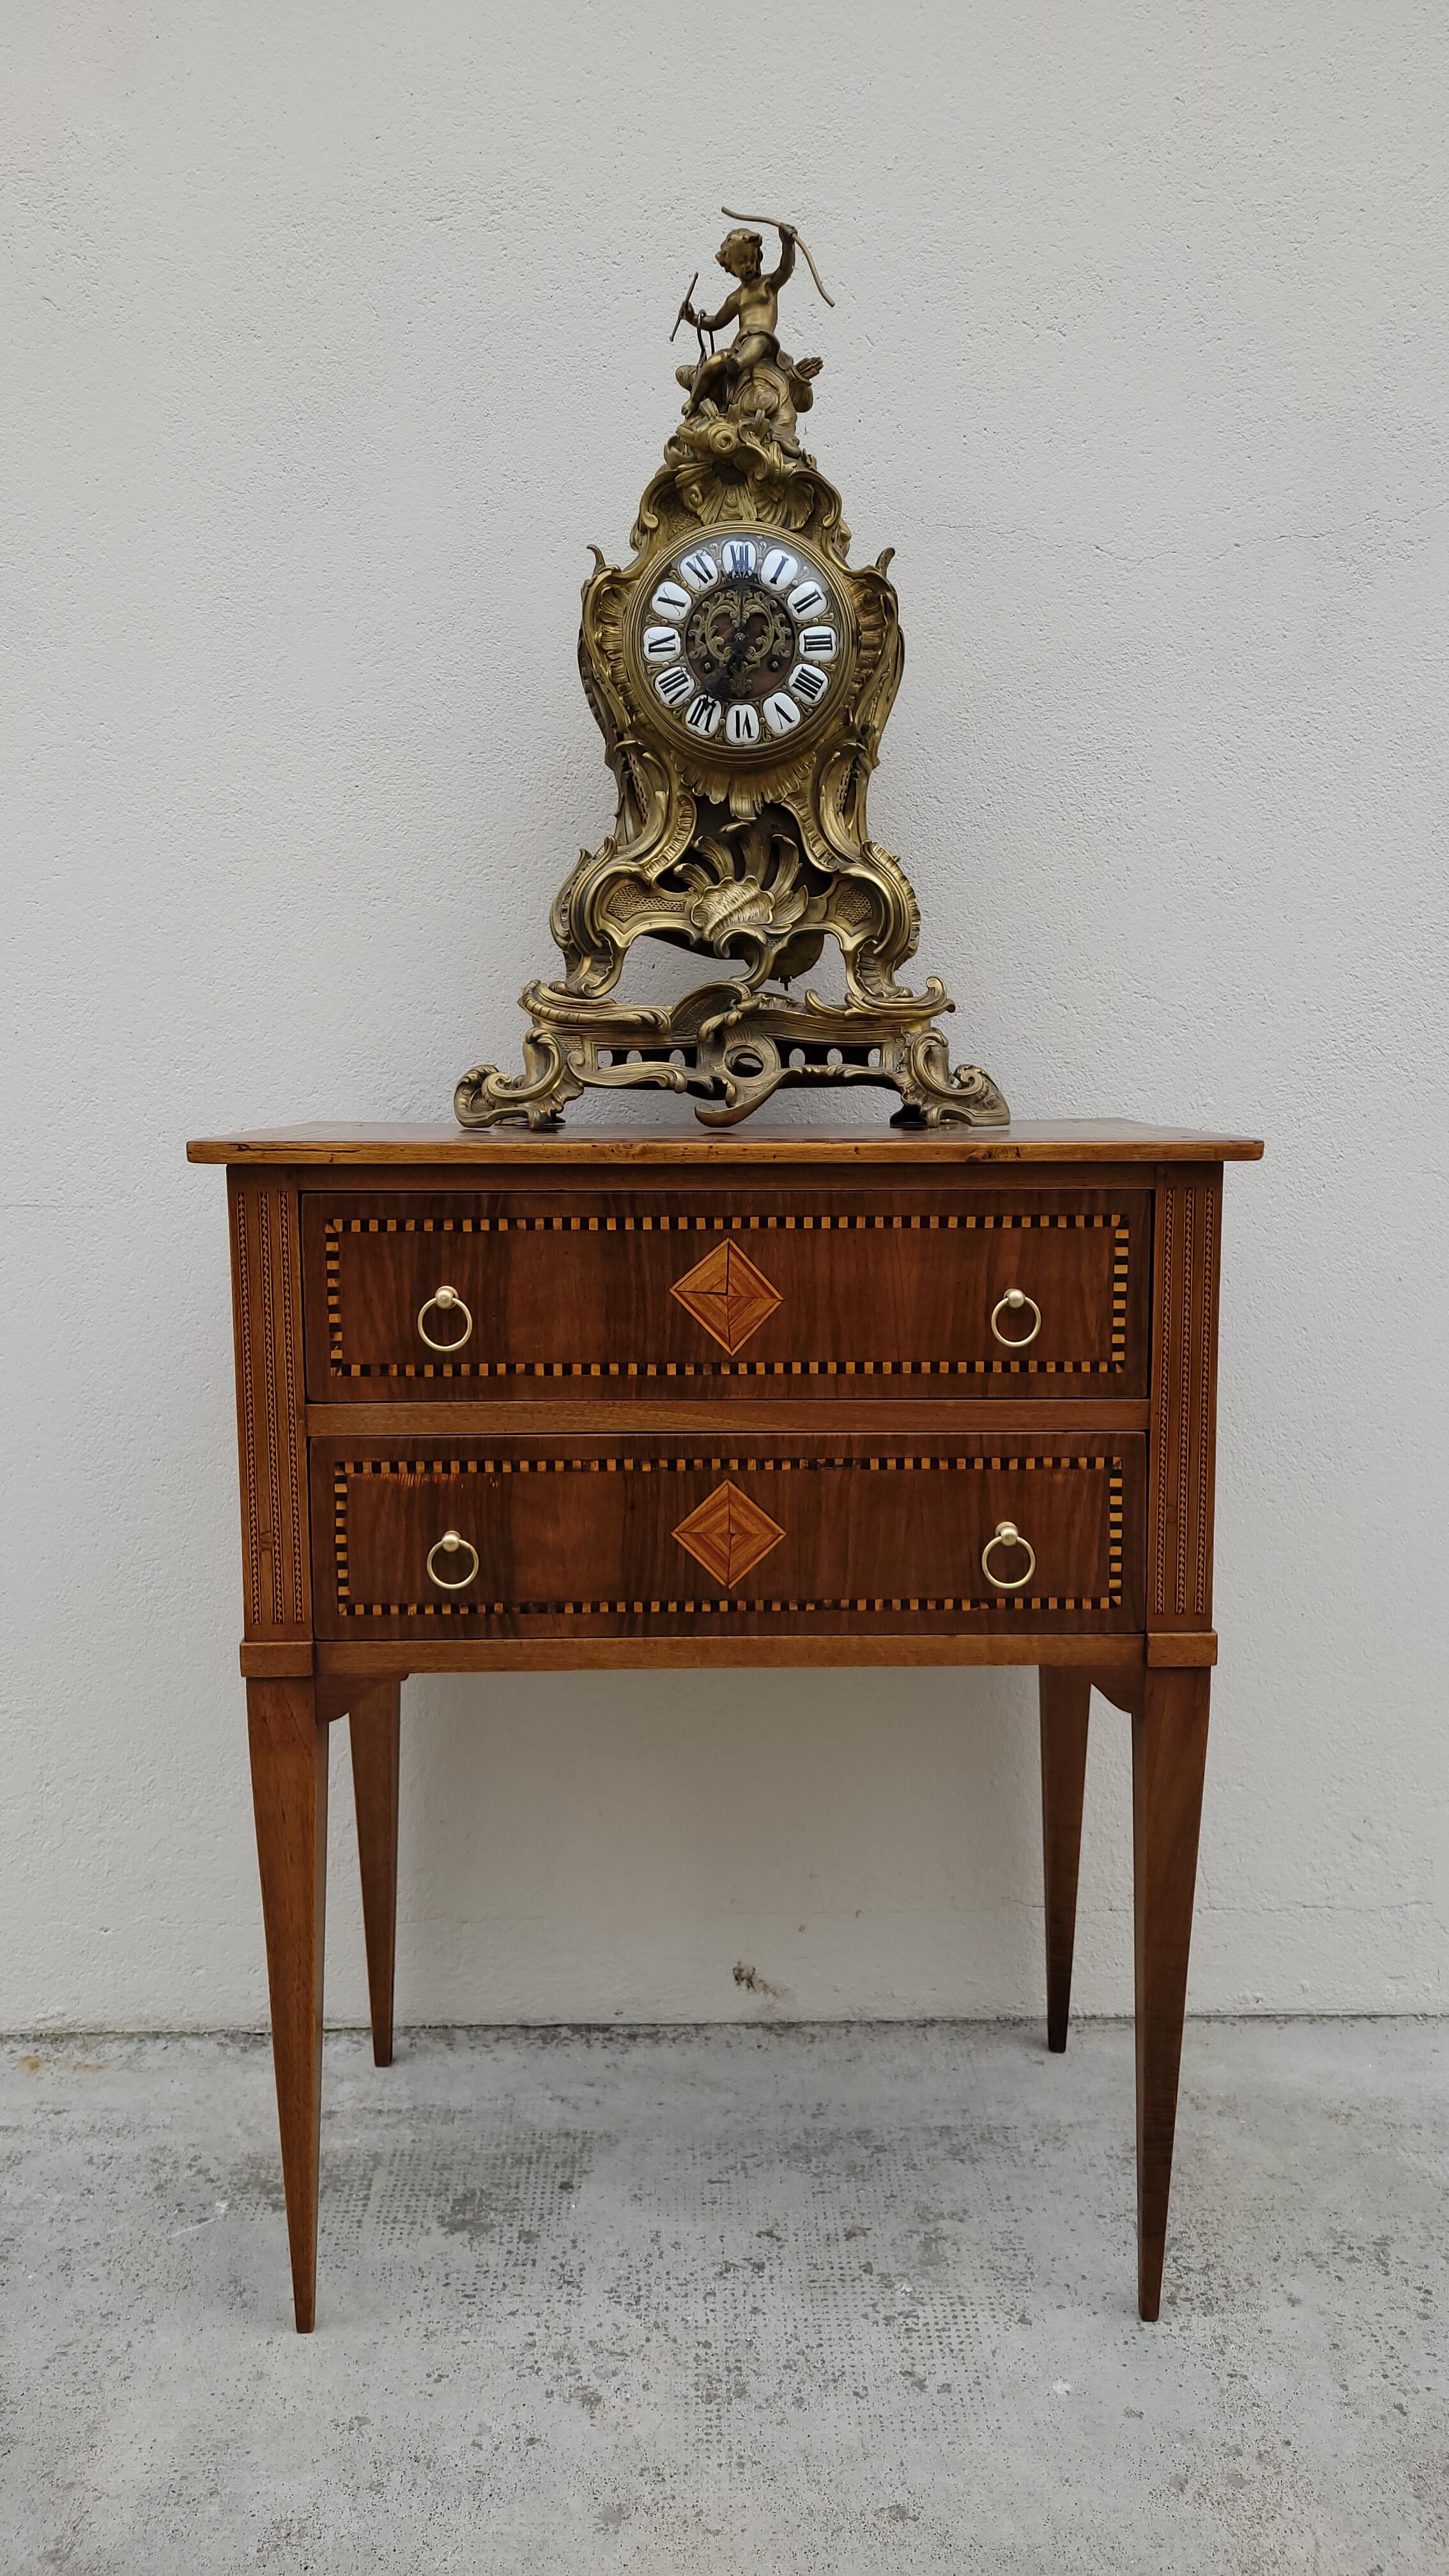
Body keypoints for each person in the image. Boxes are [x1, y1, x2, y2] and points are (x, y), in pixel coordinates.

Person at [680, 225, 798, 417]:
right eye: (742, 262)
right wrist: (692, 318)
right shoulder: (736, 298)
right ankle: (694, 400)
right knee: (715, 361)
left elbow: (786, 269)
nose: (749, 266)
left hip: (765, 342)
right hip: (740, 345)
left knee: (758, 341)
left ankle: (740, 363)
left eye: (752, 259)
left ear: (759, 257)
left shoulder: (768, 285)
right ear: (731, 268)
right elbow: (716, 322)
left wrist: (787, 243)